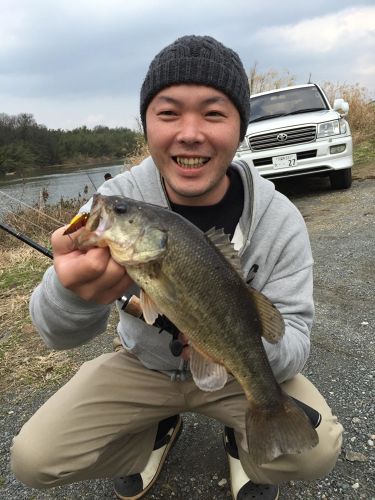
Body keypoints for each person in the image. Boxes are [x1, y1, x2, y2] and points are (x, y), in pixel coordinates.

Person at [10, 35, 343, 500]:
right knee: (33, 458)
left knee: (315, 451)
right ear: (146, 124)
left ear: (240, 127)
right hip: (146, 367)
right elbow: (56, 334)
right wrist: (72, 294)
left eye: (213, 113)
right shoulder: (112, 203)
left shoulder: (280, 217)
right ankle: (153, 432)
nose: (190, 132)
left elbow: (295, 340)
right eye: (168, 113)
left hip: (237, 372)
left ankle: (246, 439)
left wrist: (225, 343)